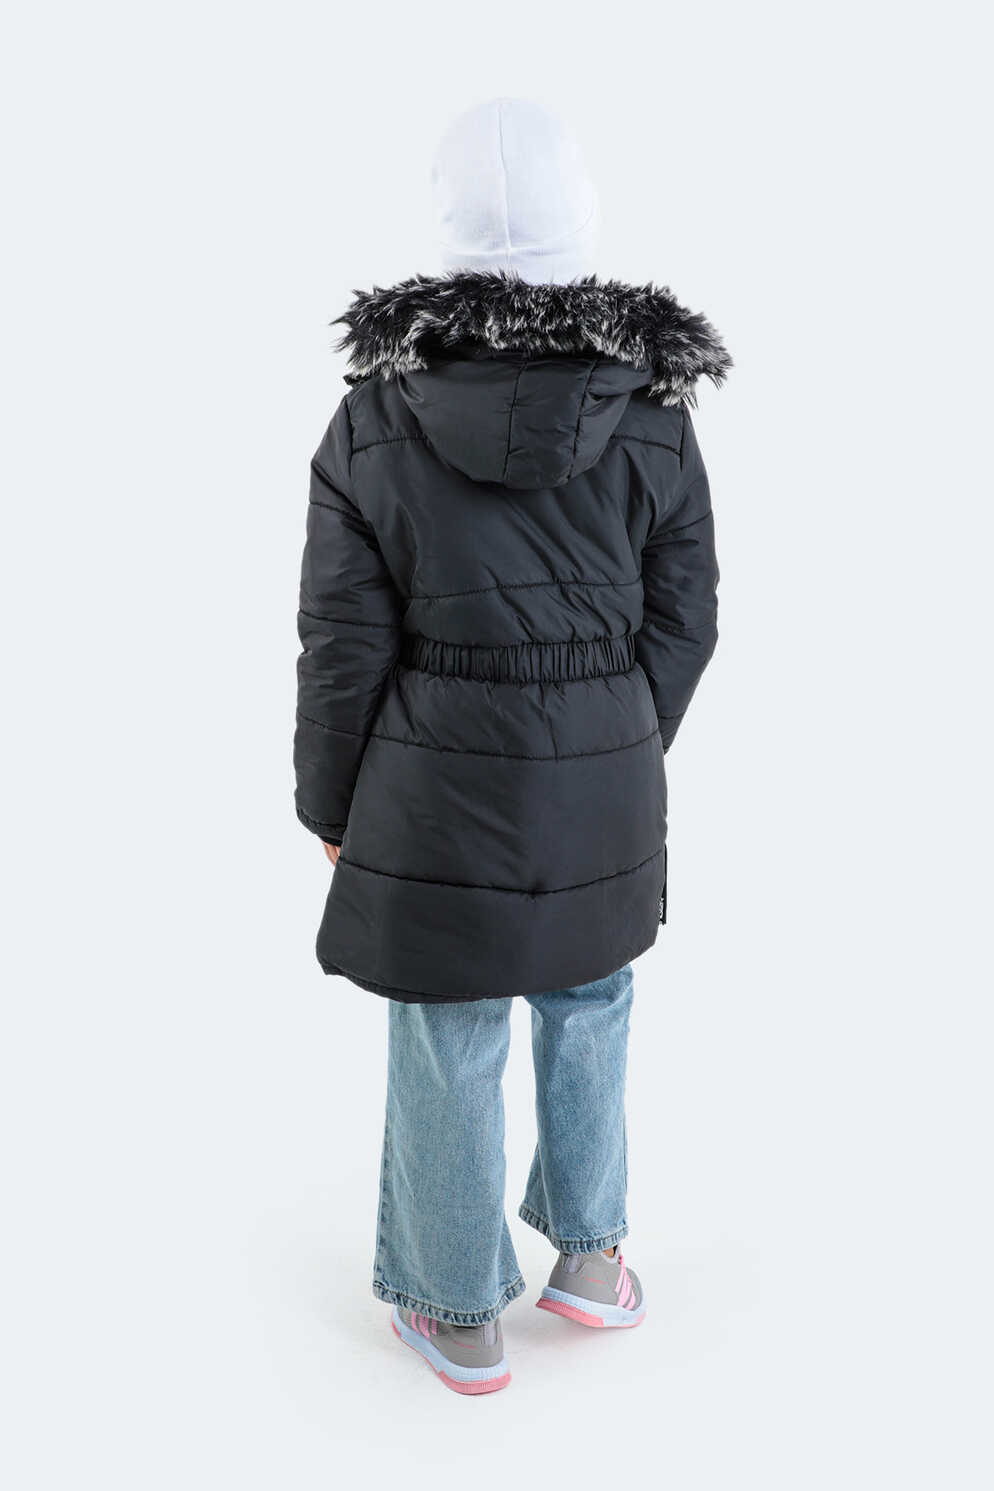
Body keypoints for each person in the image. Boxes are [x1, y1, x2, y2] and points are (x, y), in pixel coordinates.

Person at [293, 97, 729, 1394]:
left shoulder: (375, 417)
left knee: (449, 1023)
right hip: (606, 759)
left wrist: (331, 804)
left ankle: (456, 1314)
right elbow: (687, 615)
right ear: (578, 226)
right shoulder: (653, 409)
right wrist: (619, 734)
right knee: (591, 996)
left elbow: (341, 644)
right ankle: (591, 1263)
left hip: (431, 771)